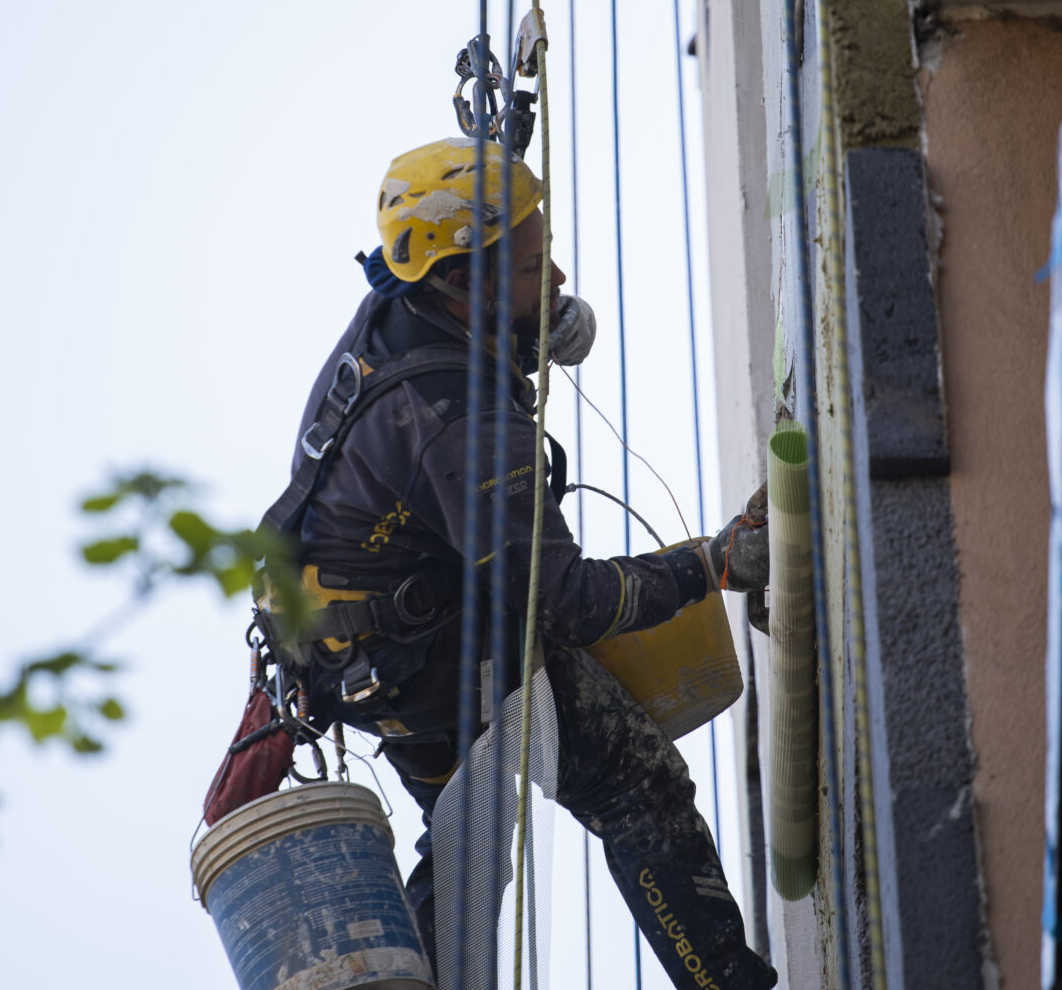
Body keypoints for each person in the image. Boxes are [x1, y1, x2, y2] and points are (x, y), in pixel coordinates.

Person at [269, 136, 776, 990]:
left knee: (468, 829)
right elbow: (568, 602)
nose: (560, 276)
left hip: (356, 644)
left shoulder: (412, 297)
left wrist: (529, 322)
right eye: (538, 265)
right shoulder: (462, 421)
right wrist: (715, 562)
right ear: (465, 281)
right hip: (416, 659)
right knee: (633, 784)